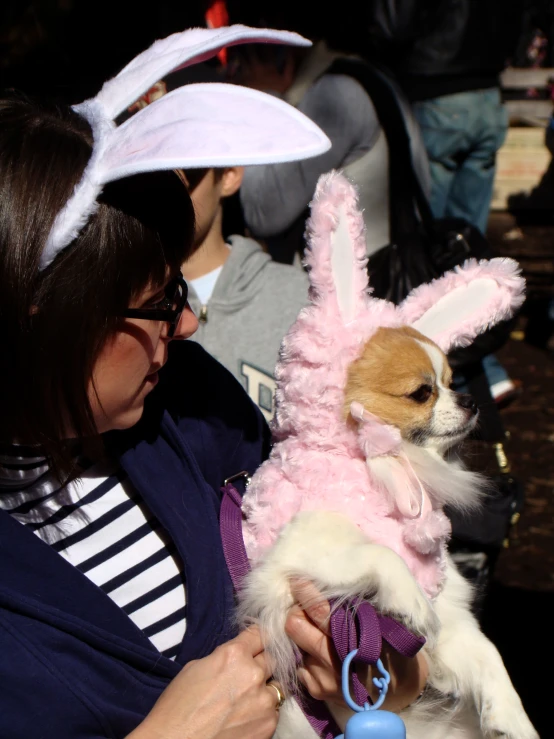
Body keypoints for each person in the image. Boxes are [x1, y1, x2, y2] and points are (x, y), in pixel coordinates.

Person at [0, 25, 427, 739]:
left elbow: (357, 618)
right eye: (162, 302)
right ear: (47, 317)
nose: (191, 324)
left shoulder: (196, 408)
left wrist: (378, 671)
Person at [364, 0, 526, 403]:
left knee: (431, 255)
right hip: (488, 94)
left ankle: (464, 370)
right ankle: (485, 369)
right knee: (469, 250)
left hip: (435, 89)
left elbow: (392, 21)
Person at [225, 8, 431, 265]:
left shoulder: (335, 95)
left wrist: (263, 100)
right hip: (383, 273)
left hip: (355, 292)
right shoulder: (372, 76)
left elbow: (262, 214)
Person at [181, 166, 309, 420]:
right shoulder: (122, 300)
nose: (169, 191)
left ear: (229, 175)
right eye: (153, 174)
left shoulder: (303, 297)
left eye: (187, 176)